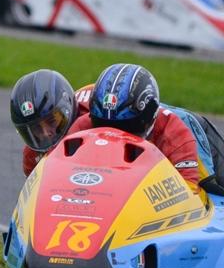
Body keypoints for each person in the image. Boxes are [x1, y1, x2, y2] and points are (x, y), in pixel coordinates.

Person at [10, 66, 224, 201]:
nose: (45, 134)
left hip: (183, 130)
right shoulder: (35, 153)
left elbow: (190, 195)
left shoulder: (97, 113)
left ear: (69, 108)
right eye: (33, 131)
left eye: (52, 121)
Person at [64, 63, 202, 193]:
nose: (113, 136)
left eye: (126, 126)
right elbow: (58, 170)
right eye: (102, 125)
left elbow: (189, 192)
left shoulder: (174, 133)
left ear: (148, 117)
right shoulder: (82, 127)